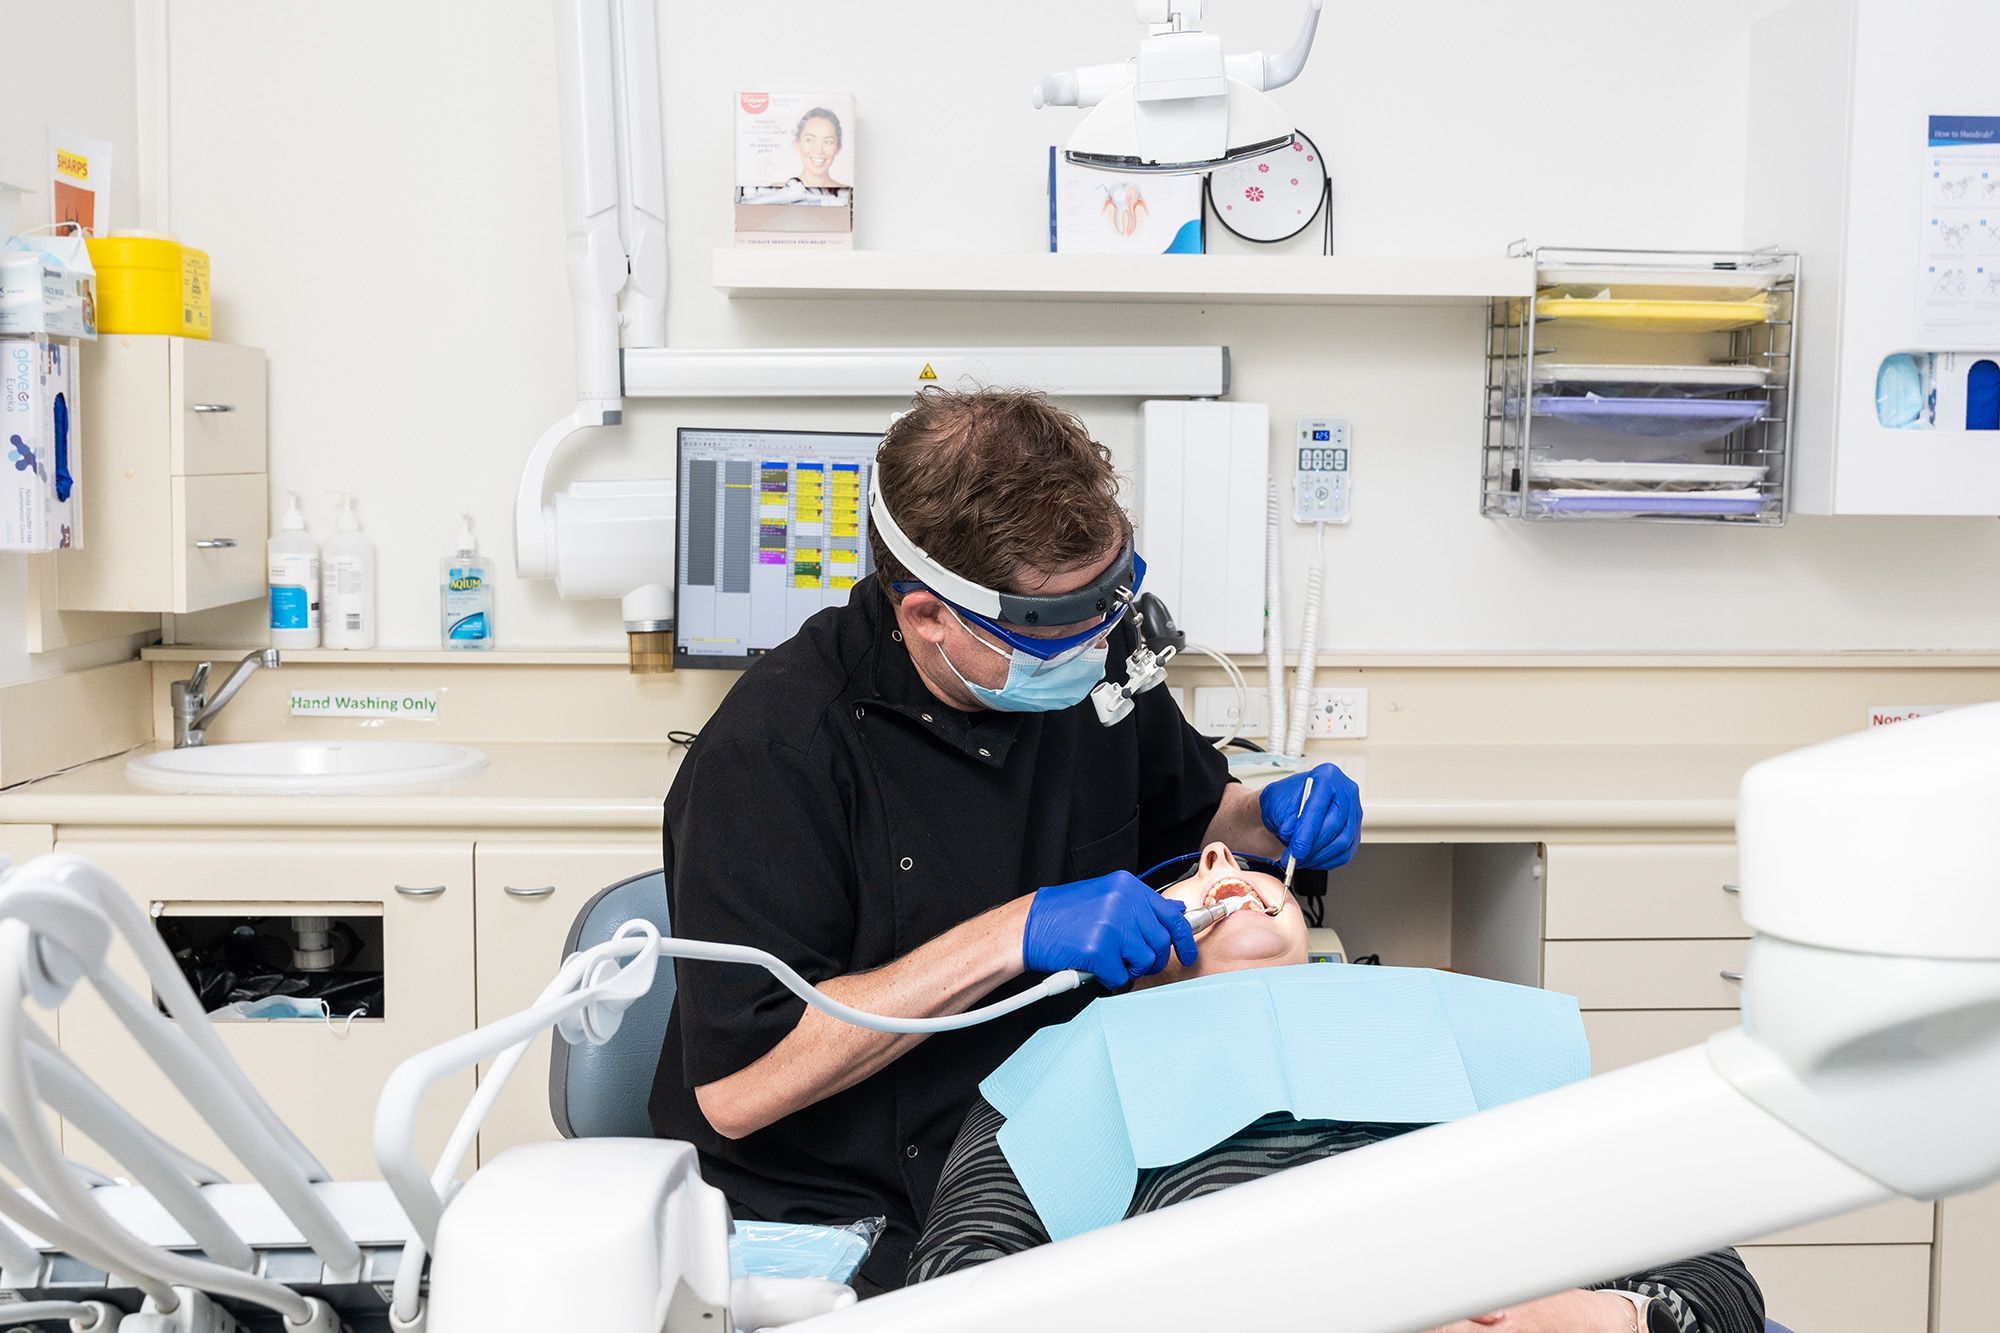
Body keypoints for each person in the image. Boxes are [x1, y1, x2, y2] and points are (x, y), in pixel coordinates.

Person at [651, 388, 1362, 1292]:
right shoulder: (773, 754)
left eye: (1106, 606)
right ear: (925, 616)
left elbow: (1199, 809)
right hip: (839, 1215)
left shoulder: (1092, 660)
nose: (1091, 646)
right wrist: (1011, 932)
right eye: (1046, 632)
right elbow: (740, 1091)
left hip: (1054, 1150)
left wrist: (1270, 812)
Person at [910, 844, 1765, 1333]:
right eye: (1186, 877)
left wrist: (1590, 1319)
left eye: (1241, 861)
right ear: (1125, 965)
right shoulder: (1076, 1064)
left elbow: (1716, 1280)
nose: (1218, 859)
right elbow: (955, 1290)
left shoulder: (1463, 1022)